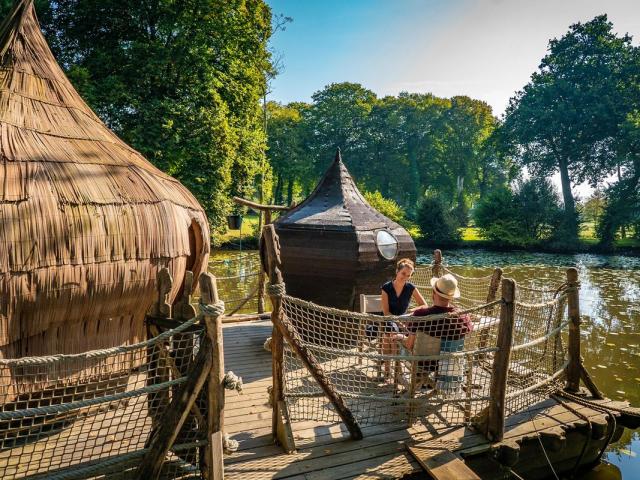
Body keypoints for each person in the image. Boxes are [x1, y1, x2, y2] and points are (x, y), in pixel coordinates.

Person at [405, 274, 473, 393]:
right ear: (451, 297)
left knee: (397, 340)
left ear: (434, 293)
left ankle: (413, 383)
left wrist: (400, 337)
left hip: (424, 362)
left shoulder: (420, 315)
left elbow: (409, 346)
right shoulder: (463, 316)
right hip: (450, 363)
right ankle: (429, 382)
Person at [378, 258, 427, 379]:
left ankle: (389, 370)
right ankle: (396, 369)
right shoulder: (386, 288)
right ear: (397, 271)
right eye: (403, 273)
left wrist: (413, 310)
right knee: (390, 331)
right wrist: (399, 323)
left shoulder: (410, 287)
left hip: (405, 320)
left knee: (388, 336)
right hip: (388, 320)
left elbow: (425, 305)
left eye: (408, 275)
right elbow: (386, 313)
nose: (405, 277)